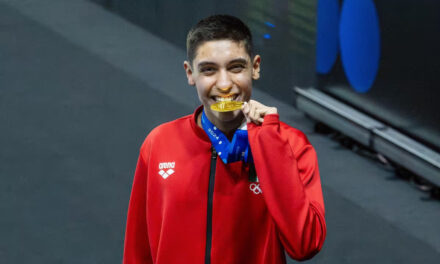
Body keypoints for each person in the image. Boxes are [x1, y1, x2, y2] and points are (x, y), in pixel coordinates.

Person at [123, 14, 326, 264]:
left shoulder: (291, 145)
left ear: (256, 67)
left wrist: (270, 145)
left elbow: (304, 244)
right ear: (190, 73)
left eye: (236, 67)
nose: (224, 84)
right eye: (209, 70)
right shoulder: (159, 143)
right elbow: (137, 250)